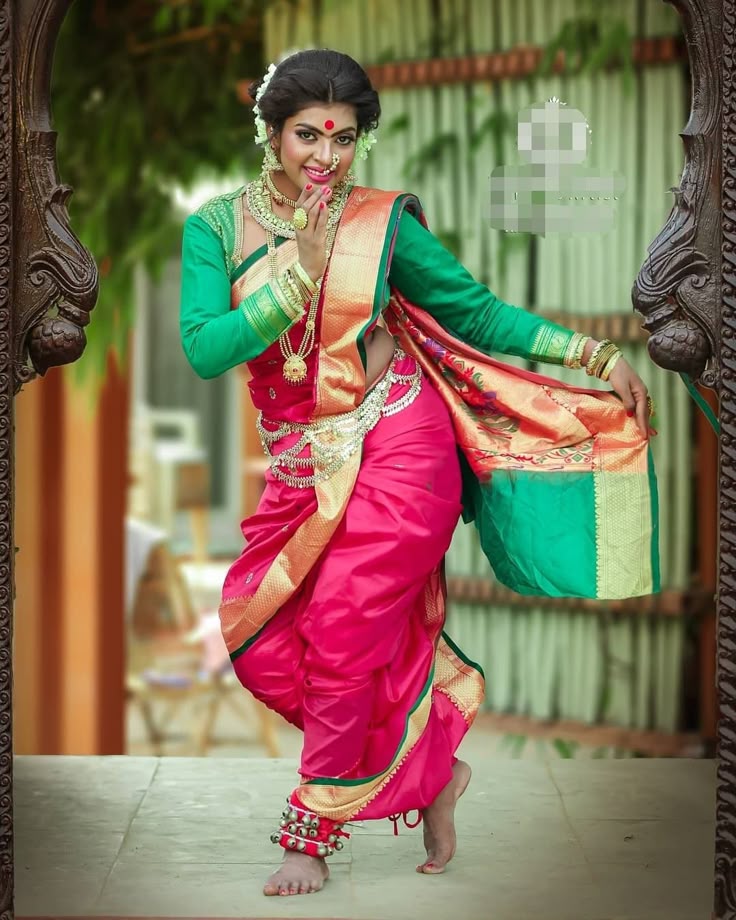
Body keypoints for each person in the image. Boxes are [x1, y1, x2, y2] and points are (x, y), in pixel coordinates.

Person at [179, 49, 658, 898]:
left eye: (344, 138)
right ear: (271, 132)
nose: (325, 157)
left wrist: (594, 351)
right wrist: (296, 272)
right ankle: (433, 771)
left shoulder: (381, 223)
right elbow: (208, 349)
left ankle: (311, 830)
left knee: (345, 626)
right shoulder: (215, 228)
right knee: (265, 642)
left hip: (403, 437)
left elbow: (471, 309)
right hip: (305, 463)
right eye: (306, 136)